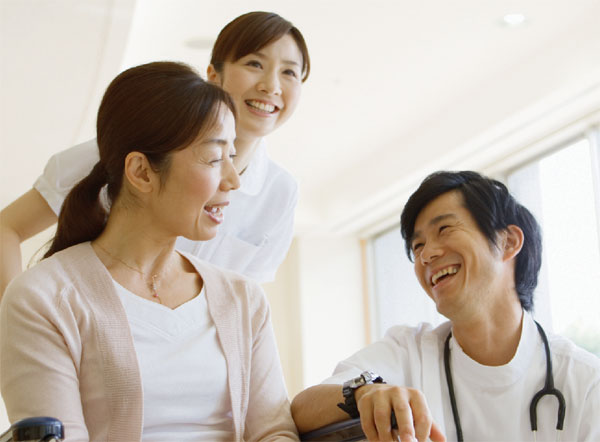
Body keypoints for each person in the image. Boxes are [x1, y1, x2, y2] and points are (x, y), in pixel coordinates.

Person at [0, 61, 298, 441]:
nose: (233, 180)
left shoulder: (243, 299)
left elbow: (274, 430)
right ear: (141, 172)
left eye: (233, 156)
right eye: (214, 158)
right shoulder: (43, 298)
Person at [0, 11, 310, 293]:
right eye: (254, 64)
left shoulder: (280, 193)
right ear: (214, 76)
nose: (272, 86)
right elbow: (7, 228)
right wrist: (14, 317)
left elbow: (244, 296)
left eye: (290, 72)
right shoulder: (138, 147)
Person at [291, 171, 600, 441]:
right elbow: (302, 409)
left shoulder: (586, 383)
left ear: (508, 242)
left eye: (445, 229)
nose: (426, 255)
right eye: (418, 246)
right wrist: (363, 392)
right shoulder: (409, 351)